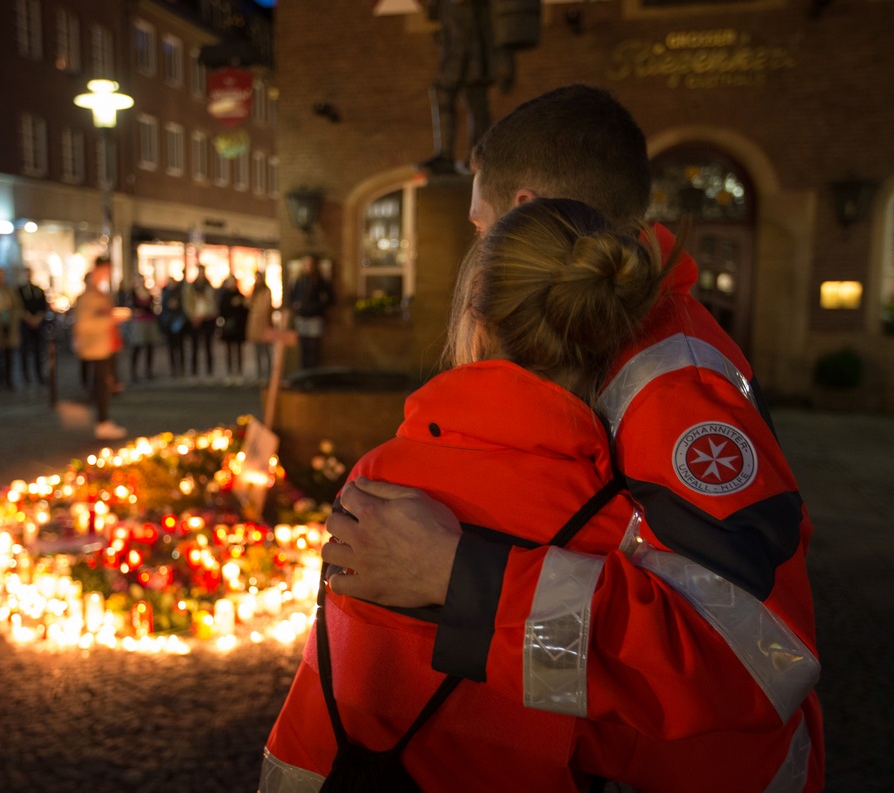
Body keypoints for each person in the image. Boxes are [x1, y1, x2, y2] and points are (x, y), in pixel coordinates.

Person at [311, 85, 824, 791]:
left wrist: (464, 580)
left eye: (478, 225)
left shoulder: (669, 383)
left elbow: (756, 660)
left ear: (524, 215)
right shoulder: (620, 346)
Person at [420, 0, 520, 175]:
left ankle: (453, 156)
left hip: (466, 49)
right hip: (467, 47)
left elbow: (461, 35)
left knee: (448, 92)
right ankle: (475, 157)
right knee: (475, 99)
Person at [73, 260, 127, 440]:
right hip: (96, 347)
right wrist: (111, 319)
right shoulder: (88, 297)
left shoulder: (100, 293)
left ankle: (104, 420)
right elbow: (84, 324)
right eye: (106, 271)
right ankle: (102, 423)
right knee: (101, 384)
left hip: (105, 345)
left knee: (105, 383)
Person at [288, 255, 333, 370]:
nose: (307, 267)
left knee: (314, 348)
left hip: (315, 317)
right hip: (302, 316)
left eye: (310, 264)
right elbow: (292, 296)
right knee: (304, 347)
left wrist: (317, 306)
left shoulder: (320, 281)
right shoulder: (299, 280)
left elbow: (330, 298)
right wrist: (296, 304)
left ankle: (313, 374)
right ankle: (304, 373)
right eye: (305, 264)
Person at [181, 264, 217, 379]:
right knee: (194, 345)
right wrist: (193, 316)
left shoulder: (209, 286)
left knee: (208, 345)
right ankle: (194, 369)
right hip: (194, 318)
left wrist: (208, 313)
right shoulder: (191, 287)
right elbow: (187, 303)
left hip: (207, 318)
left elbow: (213, 303)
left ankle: (210, 369)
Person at [17, 268, 51, 385]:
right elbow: (18, 307)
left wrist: (38, 319)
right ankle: (26, 376)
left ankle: (39, 374)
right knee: (25, 351)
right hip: (25, 324)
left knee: (38, 350)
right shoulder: (19, 291)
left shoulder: (38, 290)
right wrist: (28, 318)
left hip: (38, 324)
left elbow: (43, 306)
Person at [125, 276, 161, 382]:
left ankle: (148, 371)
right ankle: (134, 372)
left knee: (150, 347)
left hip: (149, 321)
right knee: (137, 347)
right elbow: (132, 308)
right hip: (138, 323)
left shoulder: (149, 294)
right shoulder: (132, 294)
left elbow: (152, 307)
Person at [215, 274, 248, 385]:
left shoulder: (240, 295)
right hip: (228, 326)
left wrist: (240, 304)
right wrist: (231, 304)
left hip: (238, 327)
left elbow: (245, 311)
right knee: (228, 350)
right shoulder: (225, 296)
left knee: (238, 350)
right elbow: (221, 310)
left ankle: (239, 372)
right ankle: (229, 373)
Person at [246, 270, 275, 382]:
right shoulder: (254, 292)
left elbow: (265, 307)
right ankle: (259, 373)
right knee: (257, 351)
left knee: (266, 350)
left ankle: (268, 373)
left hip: (264, 324)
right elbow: (249, 304)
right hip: (255, 325)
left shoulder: (266, 291)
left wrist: (257, 312)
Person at [159, 271, 186, 377]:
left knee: (180, 346)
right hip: (168, 322)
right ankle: (173, 368)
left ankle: (181, 368)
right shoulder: (165, 294)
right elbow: (163, 309)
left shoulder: (179, 293)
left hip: (178, 321)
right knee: (171, 347)